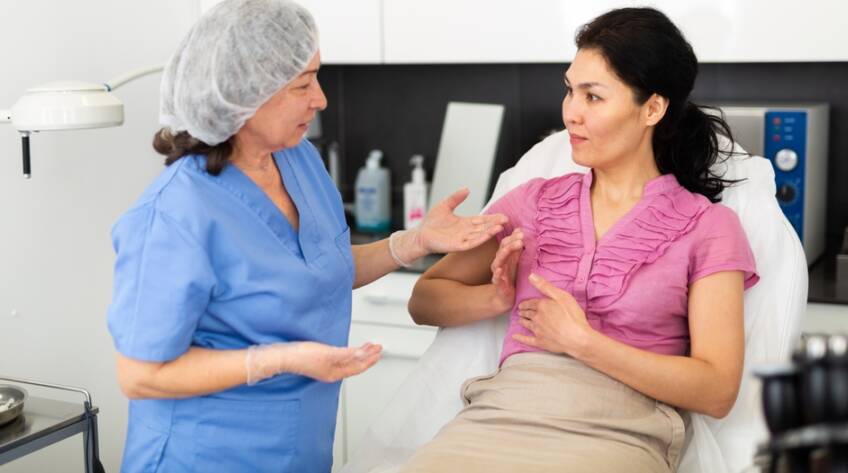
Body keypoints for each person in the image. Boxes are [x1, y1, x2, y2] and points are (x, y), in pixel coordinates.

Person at [105, 1, 506, 472]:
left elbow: (318, 271)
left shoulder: (298, 161)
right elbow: (140, 375)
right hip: (204, 456)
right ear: (247, 93)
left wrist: (413, 242)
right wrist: (277, 360)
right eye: (303, 84)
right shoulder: (174, 214)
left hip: (299, 452)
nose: (320, 99)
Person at [402, 7, 758, 473]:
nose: (571, 113)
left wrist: (583, 343)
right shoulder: (532, 202)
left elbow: (717, 391)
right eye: (570, 91)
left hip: (619, 432)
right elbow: (423, 300)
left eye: (593, 96)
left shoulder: (708, 228)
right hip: (500, 415)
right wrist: (495, 299)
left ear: (652, 108)